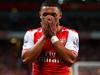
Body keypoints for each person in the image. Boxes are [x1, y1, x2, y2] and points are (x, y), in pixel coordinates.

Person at [21, 0, 79, 75]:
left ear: (60, 15)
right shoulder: (31, 34)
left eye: (53, 15)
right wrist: (44, 36)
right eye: (45, 14)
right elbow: (26, 60)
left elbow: (70, 61)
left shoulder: (71, 34)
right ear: (40, 15)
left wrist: (53, 36)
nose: (49, 18)